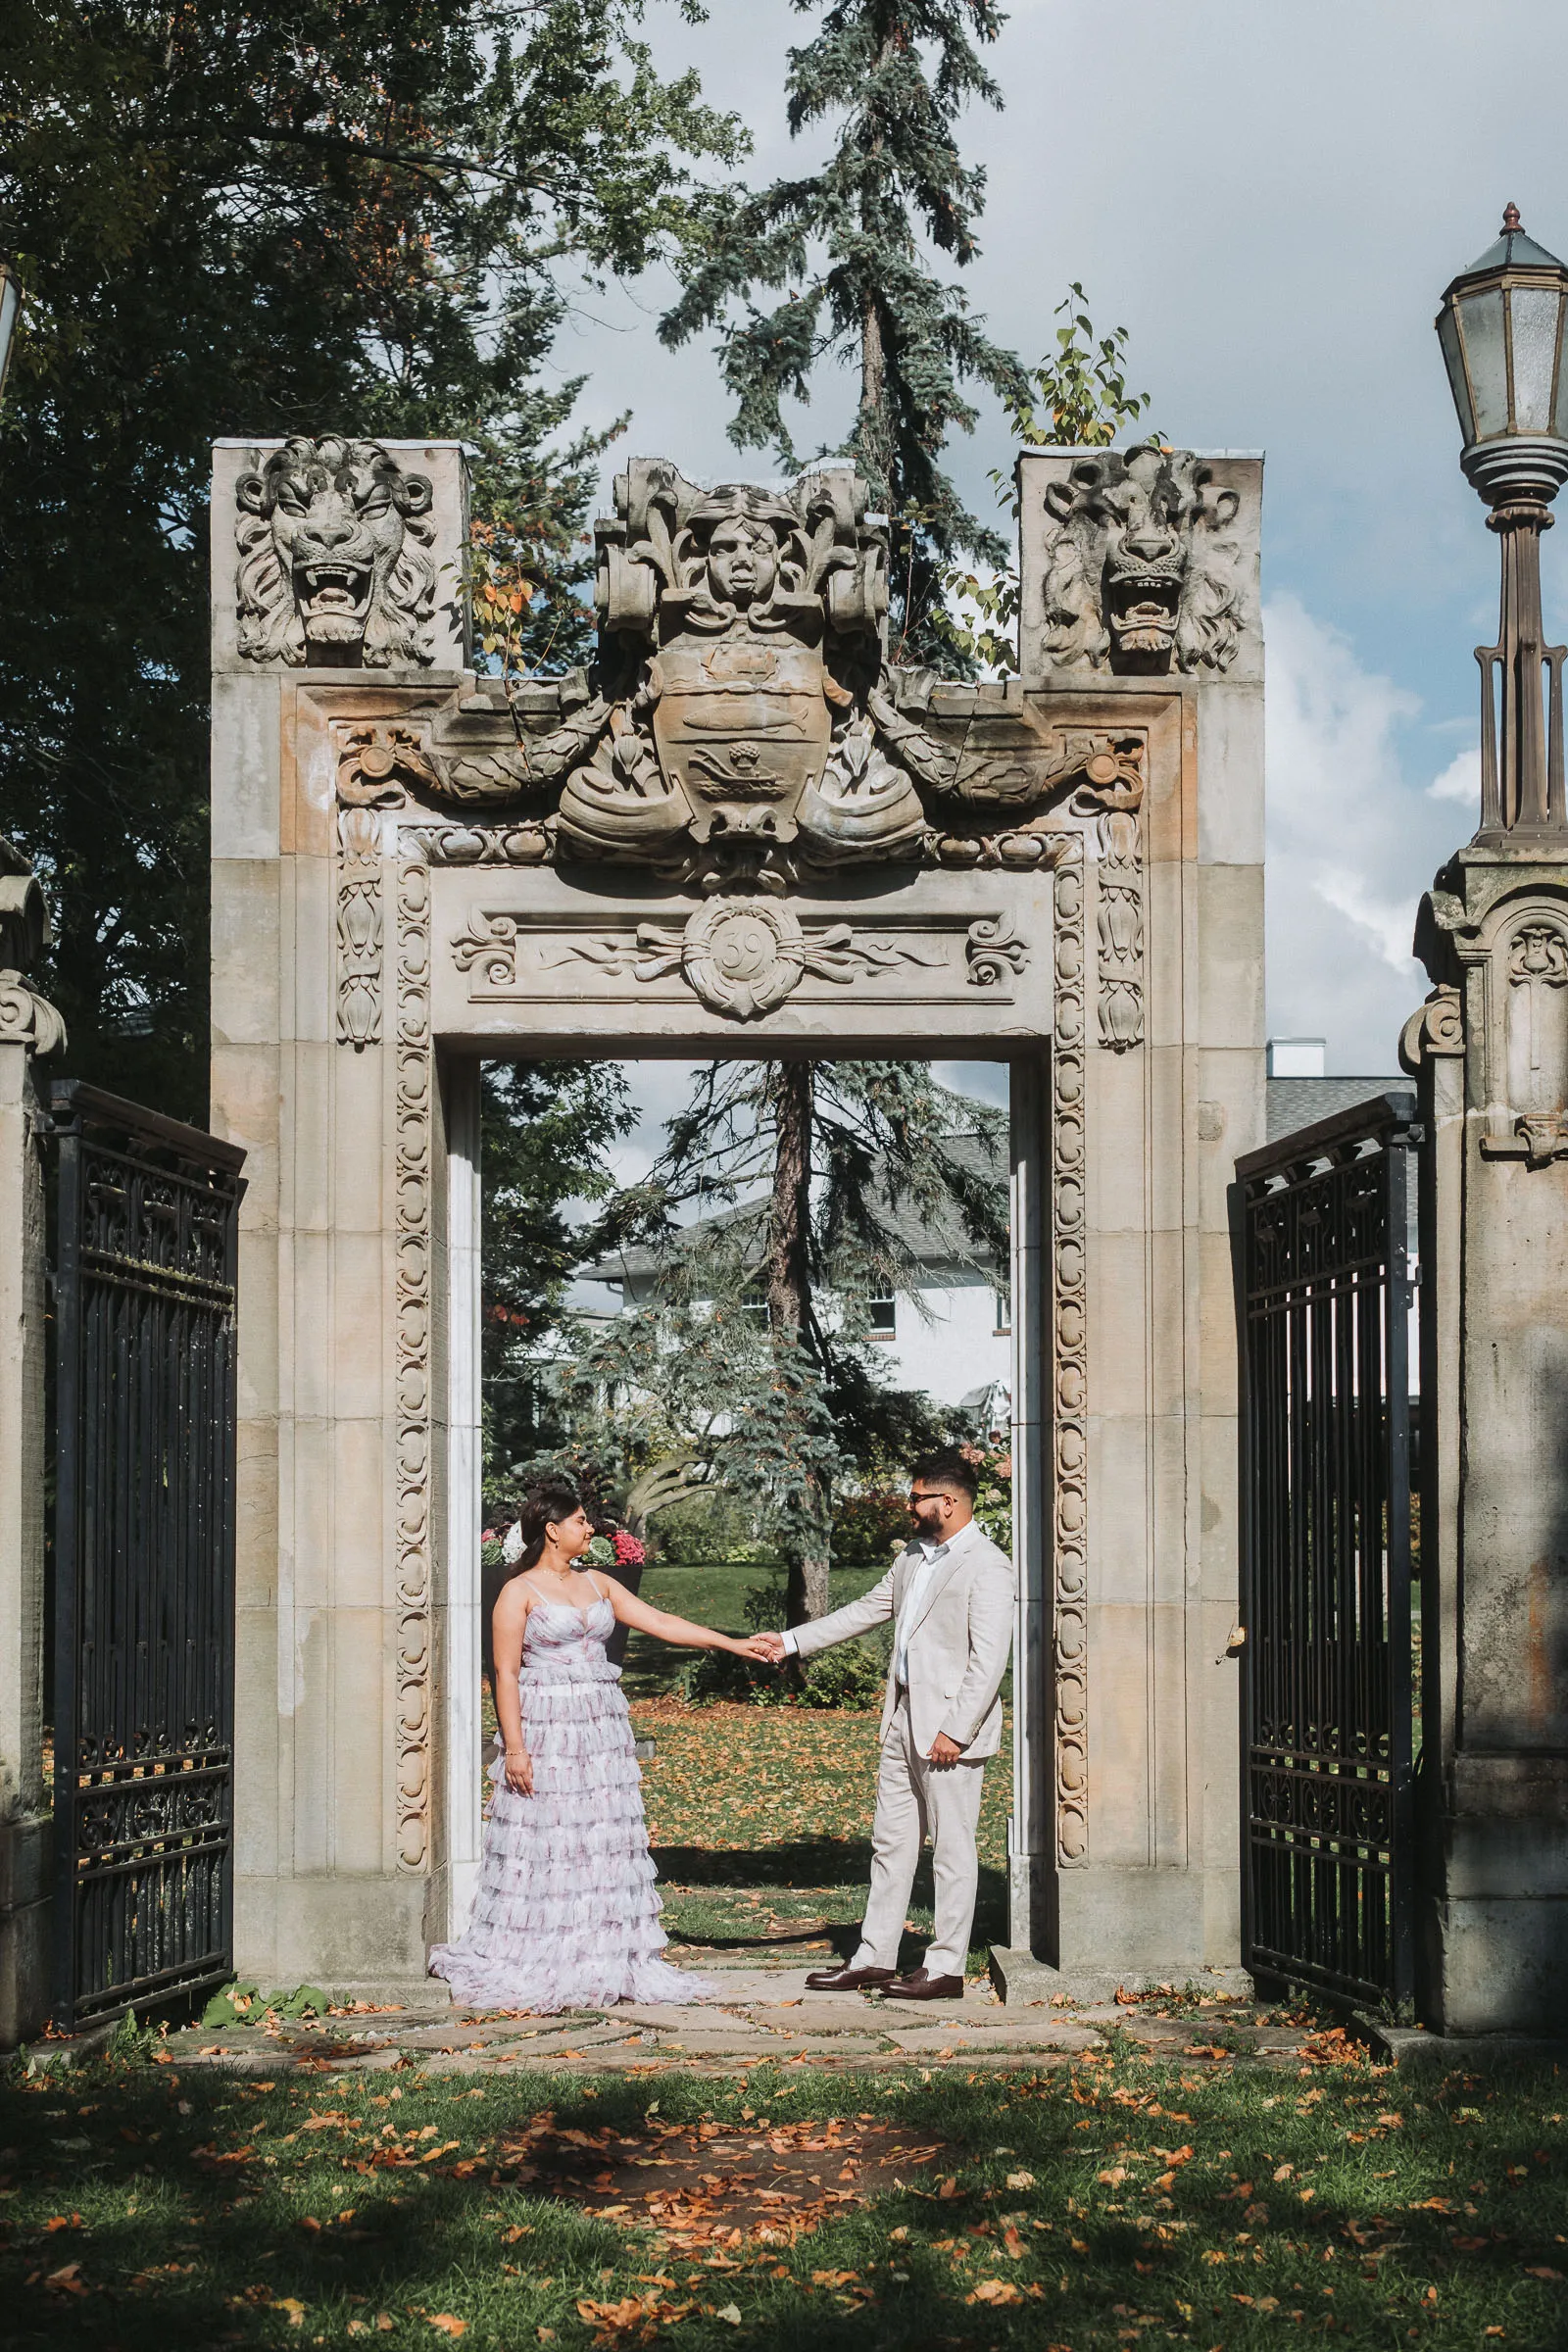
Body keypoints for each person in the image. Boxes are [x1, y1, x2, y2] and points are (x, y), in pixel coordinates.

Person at [430, 1475, 773, 2012]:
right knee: (552, 1834)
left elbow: (660, 1622)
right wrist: (514, 1749)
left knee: (600, 1832)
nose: (591, 1528)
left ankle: (605, 1952)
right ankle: (546, 1951)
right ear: (551, 1530)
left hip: (600, 1724)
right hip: (548, 1724)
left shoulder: (600, 1583)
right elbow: (504, 1672)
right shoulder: (517, 1592)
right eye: (581, 1521)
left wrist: (729, 1643)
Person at [754, 1448, 1014, 2000]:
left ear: (949, 1501)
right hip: (900, 1721)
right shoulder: (914, 1557)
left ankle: (945, 1969)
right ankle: (874, 1957)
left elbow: (989, 1660)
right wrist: (791, 1641)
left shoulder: (988, 1565)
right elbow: (867, 1610)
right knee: (890, 1844)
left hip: (948, 1733)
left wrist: (957, 1730)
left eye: (917, 1496)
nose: (909, 1505)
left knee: (951, 1850)